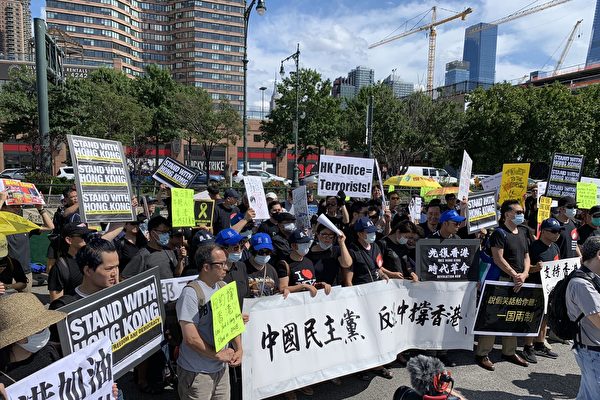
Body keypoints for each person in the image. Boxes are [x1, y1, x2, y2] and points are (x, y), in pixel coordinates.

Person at [176, 244, 242, 400]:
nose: (226, 268)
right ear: (206, 267)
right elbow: (191, 338)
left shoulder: (223, 287)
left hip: (221, 369)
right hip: (197, 373)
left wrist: (239, 349)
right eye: (221, 264)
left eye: (226, 263)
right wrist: (218, 355)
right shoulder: (191, 294)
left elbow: (232, 323)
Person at [475, 199, 531, 371]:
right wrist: (514, 275)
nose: (521, 215)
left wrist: (524, 274)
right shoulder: (499, 233)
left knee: (512, 316)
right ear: (507, 214)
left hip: (518, 281)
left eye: (522, 212)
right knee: (493, 316)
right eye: (518, 212)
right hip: (502, 280)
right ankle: (482, 353)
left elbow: (526, 256)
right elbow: (498, 258)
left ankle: (509, 351)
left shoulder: (522, 231)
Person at [0, 293, 66, 390]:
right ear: (15, 337)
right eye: (36, 329)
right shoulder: (3, 375)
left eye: (45, 325)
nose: (44, 331)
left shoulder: (49, 351)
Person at [522, 218, 561, 363]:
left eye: (559, 231)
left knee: (545, 317)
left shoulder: (555, 247)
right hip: (535, 287)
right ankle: (528, 346)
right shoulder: (533, 247)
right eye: (553, 231)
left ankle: (540, 344)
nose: (557, 234)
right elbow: (524, 268)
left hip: (549, 289)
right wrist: (535, 268)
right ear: (543, 231)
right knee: (533, 317)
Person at [567, 236, 600, 399]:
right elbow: (598, 319)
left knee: (587, 395)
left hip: (593, 349)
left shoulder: (594, 278)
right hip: (592, 351)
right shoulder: (582, 283)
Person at [0, 191, 53, 292]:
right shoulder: (2, 226)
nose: (17, 208)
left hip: (25, 272)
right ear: (3, 208)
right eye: (13, 206)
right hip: (5, 273)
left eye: (19, 206)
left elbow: (50, 227)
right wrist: (1, 200)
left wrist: (40, 208)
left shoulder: (24, 225)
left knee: (25, 300)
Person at [277, 229, 332, 299]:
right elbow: (282, 288)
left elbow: (312, 283)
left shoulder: (309, 261)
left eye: (307, 243)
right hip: (295, 302)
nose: (306, 246)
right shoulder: (284, 264)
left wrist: (321, 285)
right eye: (303, 244)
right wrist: (303, 286)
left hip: (310, 301)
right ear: (293, 245)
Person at [47, 222, 94, 301]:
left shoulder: (93, 259)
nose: (88, 238)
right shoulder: (60, 268)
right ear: (69, 240)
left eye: (88, 235)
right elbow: (57, 303)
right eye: (83, 236)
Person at [47, 186, 79, 273]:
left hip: (77, 242)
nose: (76, 198)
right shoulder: (61, 209)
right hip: (60, 242)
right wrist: (80, 202)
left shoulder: (82, 208)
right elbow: (65, 214)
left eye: (77, 196)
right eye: (72, 197)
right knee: (53, 265)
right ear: (66, 199)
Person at [245, 233, 279, 297]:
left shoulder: (272, 270)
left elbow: (276, 292)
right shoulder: (242, 269)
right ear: (252, 250)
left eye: (268, 252)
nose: (264, 255)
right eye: (261, 252)